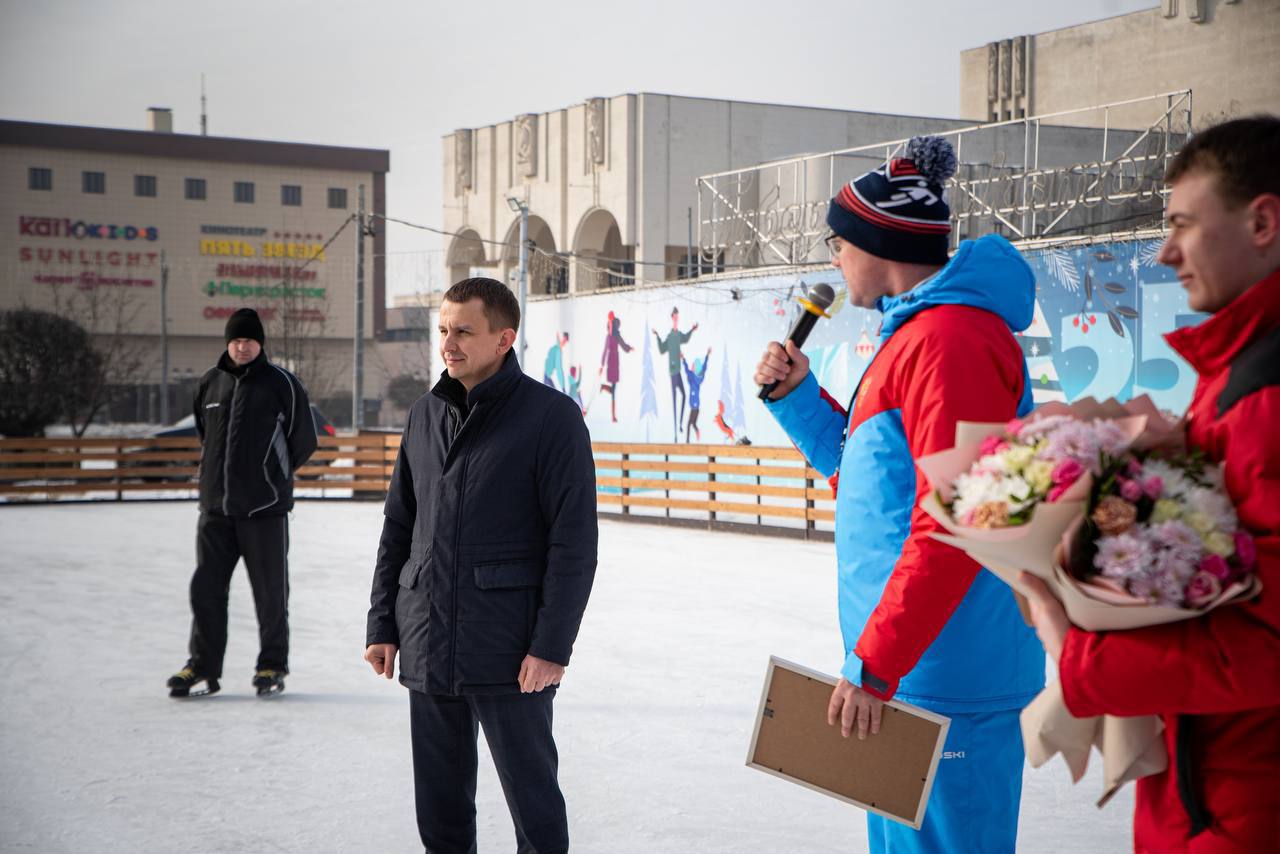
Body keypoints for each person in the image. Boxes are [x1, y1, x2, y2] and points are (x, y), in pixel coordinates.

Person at [754, 136, 1044, 853]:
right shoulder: (916, 337)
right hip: (910, 672)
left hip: (941, 679)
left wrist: (877, 665)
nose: (833, 261)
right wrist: (797, 401)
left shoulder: (951, 342)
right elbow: (874, 488)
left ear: (875, 242)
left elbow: (958, 519)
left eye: (836, 243)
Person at [1020, 115, 1280, 852]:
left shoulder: (1266, 393)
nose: (1165, 253)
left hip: (1243, 806)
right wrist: (1172, 448)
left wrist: (1077, 653)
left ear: (1262, 221)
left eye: (1183, 225)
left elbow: (1266, 645)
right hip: (1214, 791)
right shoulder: (1237, 372)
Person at [364, 277, 597, 853]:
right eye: (443, 330)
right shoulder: (423, 415)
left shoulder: (551, 418)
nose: (449, 343)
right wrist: (383, 625)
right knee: (440, 811)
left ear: (503, 339)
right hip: (426, 638)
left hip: (510, 650)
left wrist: (551, 647)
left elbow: (574, 544)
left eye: (464, 331)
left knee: (533, 804)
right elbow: (399, 528)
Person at [167, 307, 317, 698]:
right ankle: (202, 666)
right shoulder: (210, 383)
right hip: (215, 511)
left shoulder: (281, 383)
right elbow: (207, 434)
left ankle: (271, 665)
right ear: (227, 343)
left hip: (264, 511)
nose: (242, 346)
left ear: (260, 343)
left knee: (271, 595)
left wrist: (272, 477)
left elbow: (304, 440)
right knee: (206, 592)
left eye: (249, 340)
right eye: (235, 340)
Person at [654, 307, 698, 441]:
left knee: (684, 395)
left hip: (678, 371)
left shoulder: (678, 335)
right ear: (672, 317)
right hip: (672, 372)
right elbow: (662, 349)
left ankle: (679, 424)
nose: (676, 319)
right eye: (675, 317)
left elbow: (685, 338)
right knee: (674, 401)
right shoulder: (670, 336)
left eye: (677, 317)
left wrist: (692, 330)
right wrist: (657, 336)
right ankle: (674, 433)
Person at [598, 311, 633, 422]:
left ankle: (604, 387)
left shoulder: (615, 335)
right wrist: (602, 365)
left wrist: (629, 348)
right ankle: (613, 416)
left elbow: (623, 345)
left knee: (614, 389)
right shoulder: (609, 337)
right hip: (611, 363)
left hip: (614, 363)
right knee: (614, 389)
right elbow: (605, 351)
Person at [682, 348, 710, 442]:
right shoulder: (690, 375)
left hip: (695, 406)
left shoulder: (698, 379)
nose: (692, 366)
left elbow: (704, 368)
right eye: (692, 365)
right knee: (692, 424)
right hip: (693, 405)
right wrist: (683, 359)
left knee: (689, 423)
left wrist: (707, 356)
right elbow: (686, 369)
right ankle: (696, 432)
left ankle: (687, 440)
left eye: (694, 365)